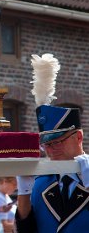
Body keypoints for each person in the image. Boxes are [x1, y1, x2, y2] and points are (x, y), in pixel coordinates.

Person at [15, 54, 89, 232]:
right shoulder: (41, 181)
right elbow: (26, 229)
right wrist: (23, 192)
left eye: (57, 142)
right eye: (46, 144)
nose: (50, 150)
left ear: (78, 137)